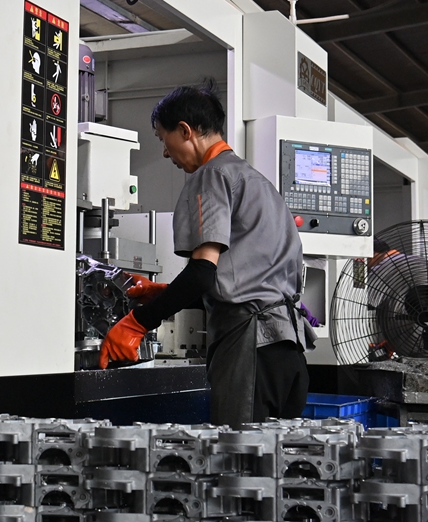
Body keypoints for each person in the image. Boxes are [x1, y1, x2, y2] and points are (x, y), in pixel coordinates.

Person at [98, 82, 315, 427]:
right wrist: (163, 292)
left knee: (240, 466)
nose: (166, 154)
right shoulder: (256, 181)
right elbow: (240, 282)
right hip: (287, 354)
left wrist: (137, 323)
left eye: (162, 139)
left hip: (250, 350)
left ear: (184, 131)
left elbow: (201, 273)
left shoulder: (210, 175)